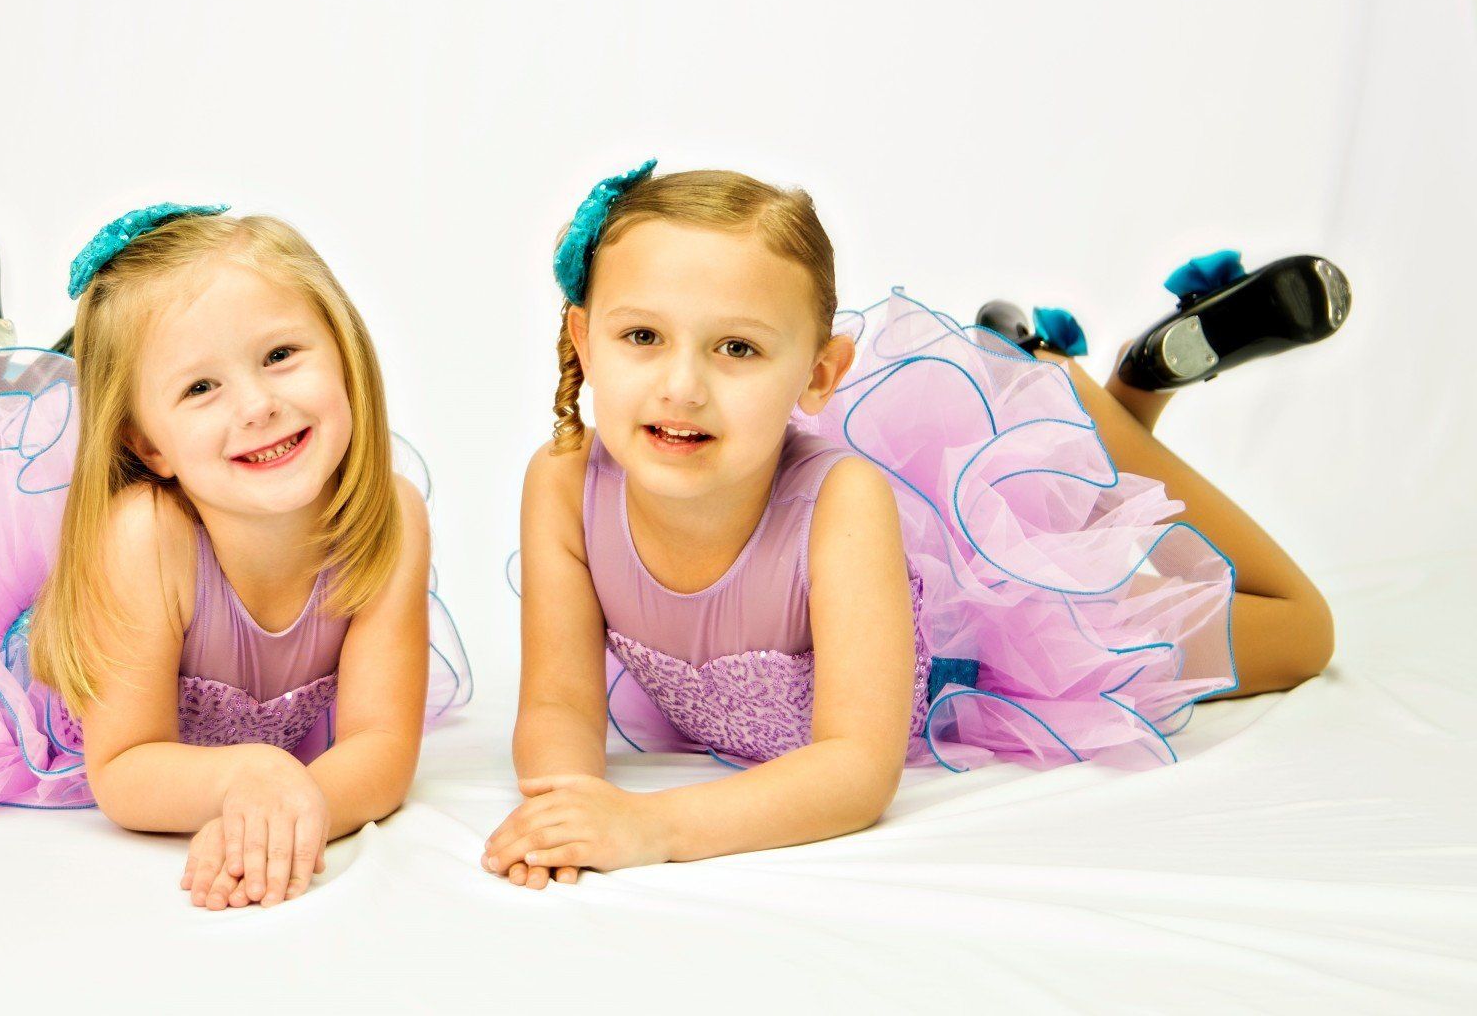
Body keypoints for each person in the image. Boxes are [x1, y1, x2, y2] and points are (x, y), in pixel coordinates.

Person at [486, 162, 1341, 888]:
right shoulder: (564, 482)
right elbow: (559, 699)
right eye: (642, 334)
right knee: (1086, 514)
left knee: (1300, 630)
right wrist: (566, 808)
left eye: (736, 348)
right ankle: (1072, 415)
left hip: (1000, 639)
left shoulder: (841, 499)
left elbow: (857, 770)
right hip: (939, 547)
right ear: (584, 339)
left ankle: (1099, 405)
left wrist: (650, 828)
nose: (683, 386)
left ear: (819, 375)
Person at [0, 201, 470, 912]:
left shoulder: (390, 515)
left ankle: (68, 386)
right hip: (25, 671)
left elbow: (381, 748)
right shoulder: (144, 535)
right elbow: (127, 770)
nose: (257, 404)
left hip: (151, 476)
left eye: (280, 354)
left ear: (343, 351)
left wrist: (284, 809)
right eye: (203, 385)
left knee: (112, 412)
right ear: (146, 447)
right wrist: (249, 774)